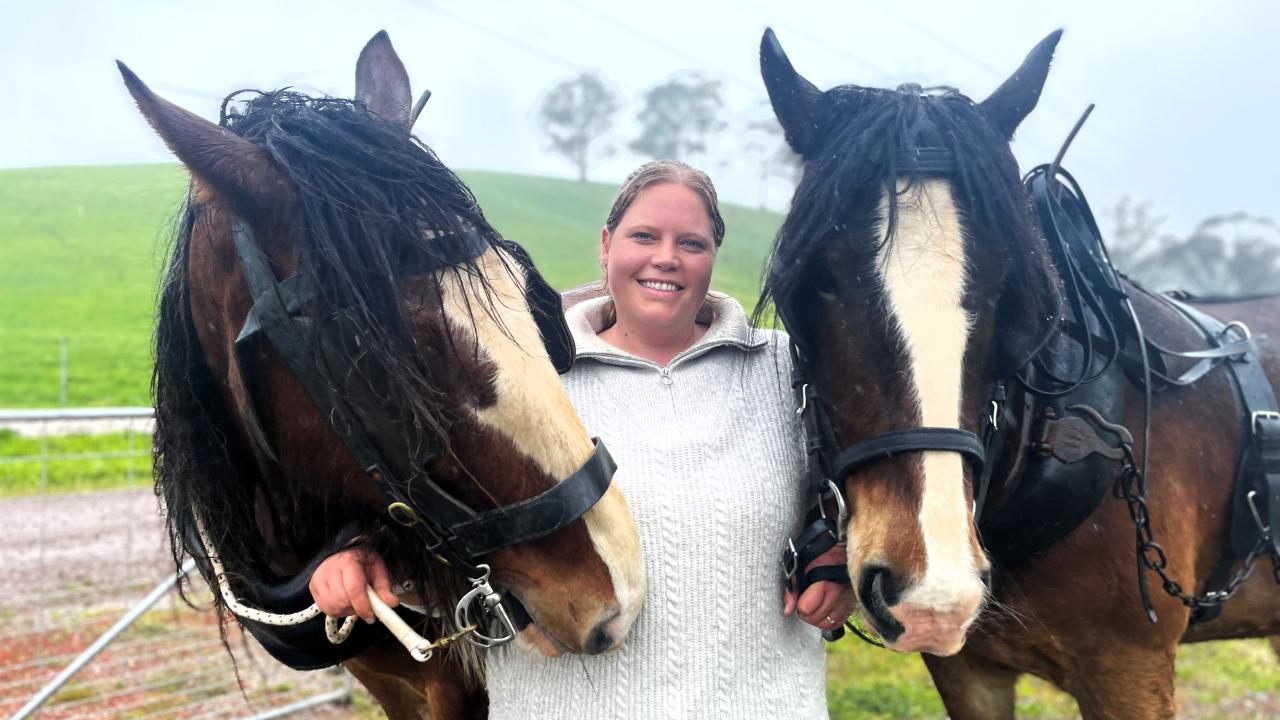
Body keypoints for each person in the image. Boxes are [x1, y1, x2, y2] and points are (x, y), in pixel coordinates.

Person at [311, 160, 852, 718]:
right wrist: (364, 557)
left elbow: (870, 500)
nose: (666, 256)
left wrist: (840, 562)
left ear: (713, 256)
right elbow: (445, 520)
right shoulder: (527, 375)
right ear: (606, 245)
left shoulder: (787, 369)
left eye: (691, 242)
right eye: (644, 236)